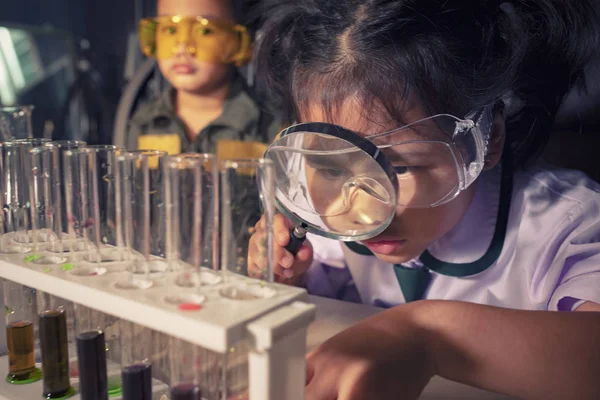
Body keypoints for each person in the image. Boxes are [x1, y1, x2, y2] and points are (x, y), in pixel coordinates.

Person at [247, 0, 600, 398]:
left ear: (488, 140)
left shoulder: (568, 223)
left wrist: (428, 334)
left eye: (400, 168)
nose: (361, 211)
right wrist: (289, 278)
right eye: (331, 169)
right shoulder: (327, 221)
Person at [126, 0, 281, 158]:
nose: (182, 48)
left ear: (239, 41)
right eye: (170, 29)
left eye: (204, 31)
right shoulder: (143, 124)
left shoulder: (271, 125)